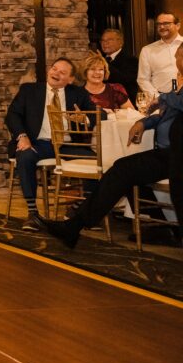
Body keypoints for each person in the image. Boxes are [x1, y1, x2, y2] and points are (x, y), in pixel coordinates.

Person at [40, 44, 183, 249]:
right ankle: (162, 226)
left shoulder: (176, 89)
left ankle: (74, 226)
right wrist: (143, 122)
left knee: (122, 170)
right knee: (122, 170)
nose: (176, 62)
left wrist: (163, 97)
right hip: (166, 153)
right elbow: (163, 114)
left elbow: (175, 103)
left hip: (176, 155)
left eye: (178, 57)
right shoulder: (178, 85)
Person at [5, 57, 97, 231]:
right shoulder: (29, 90)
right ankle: (33, 213)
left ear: (70, 79)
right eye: (54, 69)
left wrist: (83, 118)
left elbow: (98, 115)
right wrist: (22, 136)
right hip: (39, 143)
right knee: (25, 156)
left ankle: (77, 209)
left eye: (62, 72)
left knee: (99, 164)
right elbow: (12, 115)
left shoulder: (78, 93)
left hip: (68, 146)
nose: (56, 73)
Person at [137, 12, 182, 96]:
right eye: (159, 24)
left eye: (166, 23)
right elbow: (143, 79)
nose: (161, 27)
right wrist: (158, 98)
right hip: (160, 99)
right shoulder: (147, 50)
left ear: (177, 26)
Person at [100, 28, 138, 104]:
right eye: (103, 40)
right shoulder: (100, 60)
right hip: (104, 102)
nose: (105, 43)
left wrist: (105, 64)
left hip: (126, 103)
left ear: (121, 42)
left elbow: (124, 79)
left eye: (109, 40)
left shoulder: (131, 60)